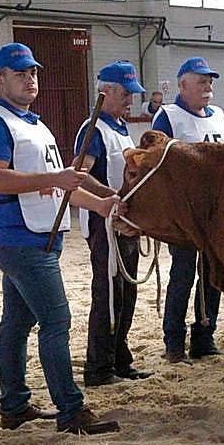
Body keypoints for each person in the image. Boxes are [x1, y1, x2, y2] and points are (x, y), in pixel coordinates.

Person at [0, 43, 121, 434]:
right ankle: (70, 410)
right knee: (56, 320)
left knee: (17, 323)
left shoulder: (35, 124)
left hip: (39, 235)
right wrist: (55, 180)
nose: (30, 79)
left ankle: (14, 406)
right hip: (18, 237)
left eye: (33, 73)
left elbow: (61, 184)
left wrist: (100, 204)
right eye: (20, 73)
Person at [75, 61, 153, 387]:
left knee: (127, 292)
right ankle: (98, 367)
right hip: (103, 222)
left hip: (125, 221)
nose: (129, 100)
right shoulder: (93, 128)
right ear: (105, 91)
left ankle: (120, 358)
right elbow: (80, 173)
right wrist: (111, 196)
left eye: (132, 94)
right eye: (124, 93)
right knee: (108, 294)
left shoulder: (120, 127)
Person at [152, 57, 224, 362]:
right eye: (201, 81)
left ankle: (204, 335)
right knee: (183, 275)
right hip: (184, 214)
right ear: (183, 85)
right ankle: (173, 340)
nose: (208, 87)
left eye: (210, 81)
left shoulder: (219, 116)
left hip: (216, 213)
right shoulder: (168, 117)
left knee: (212, 275)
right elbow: (158, 167)